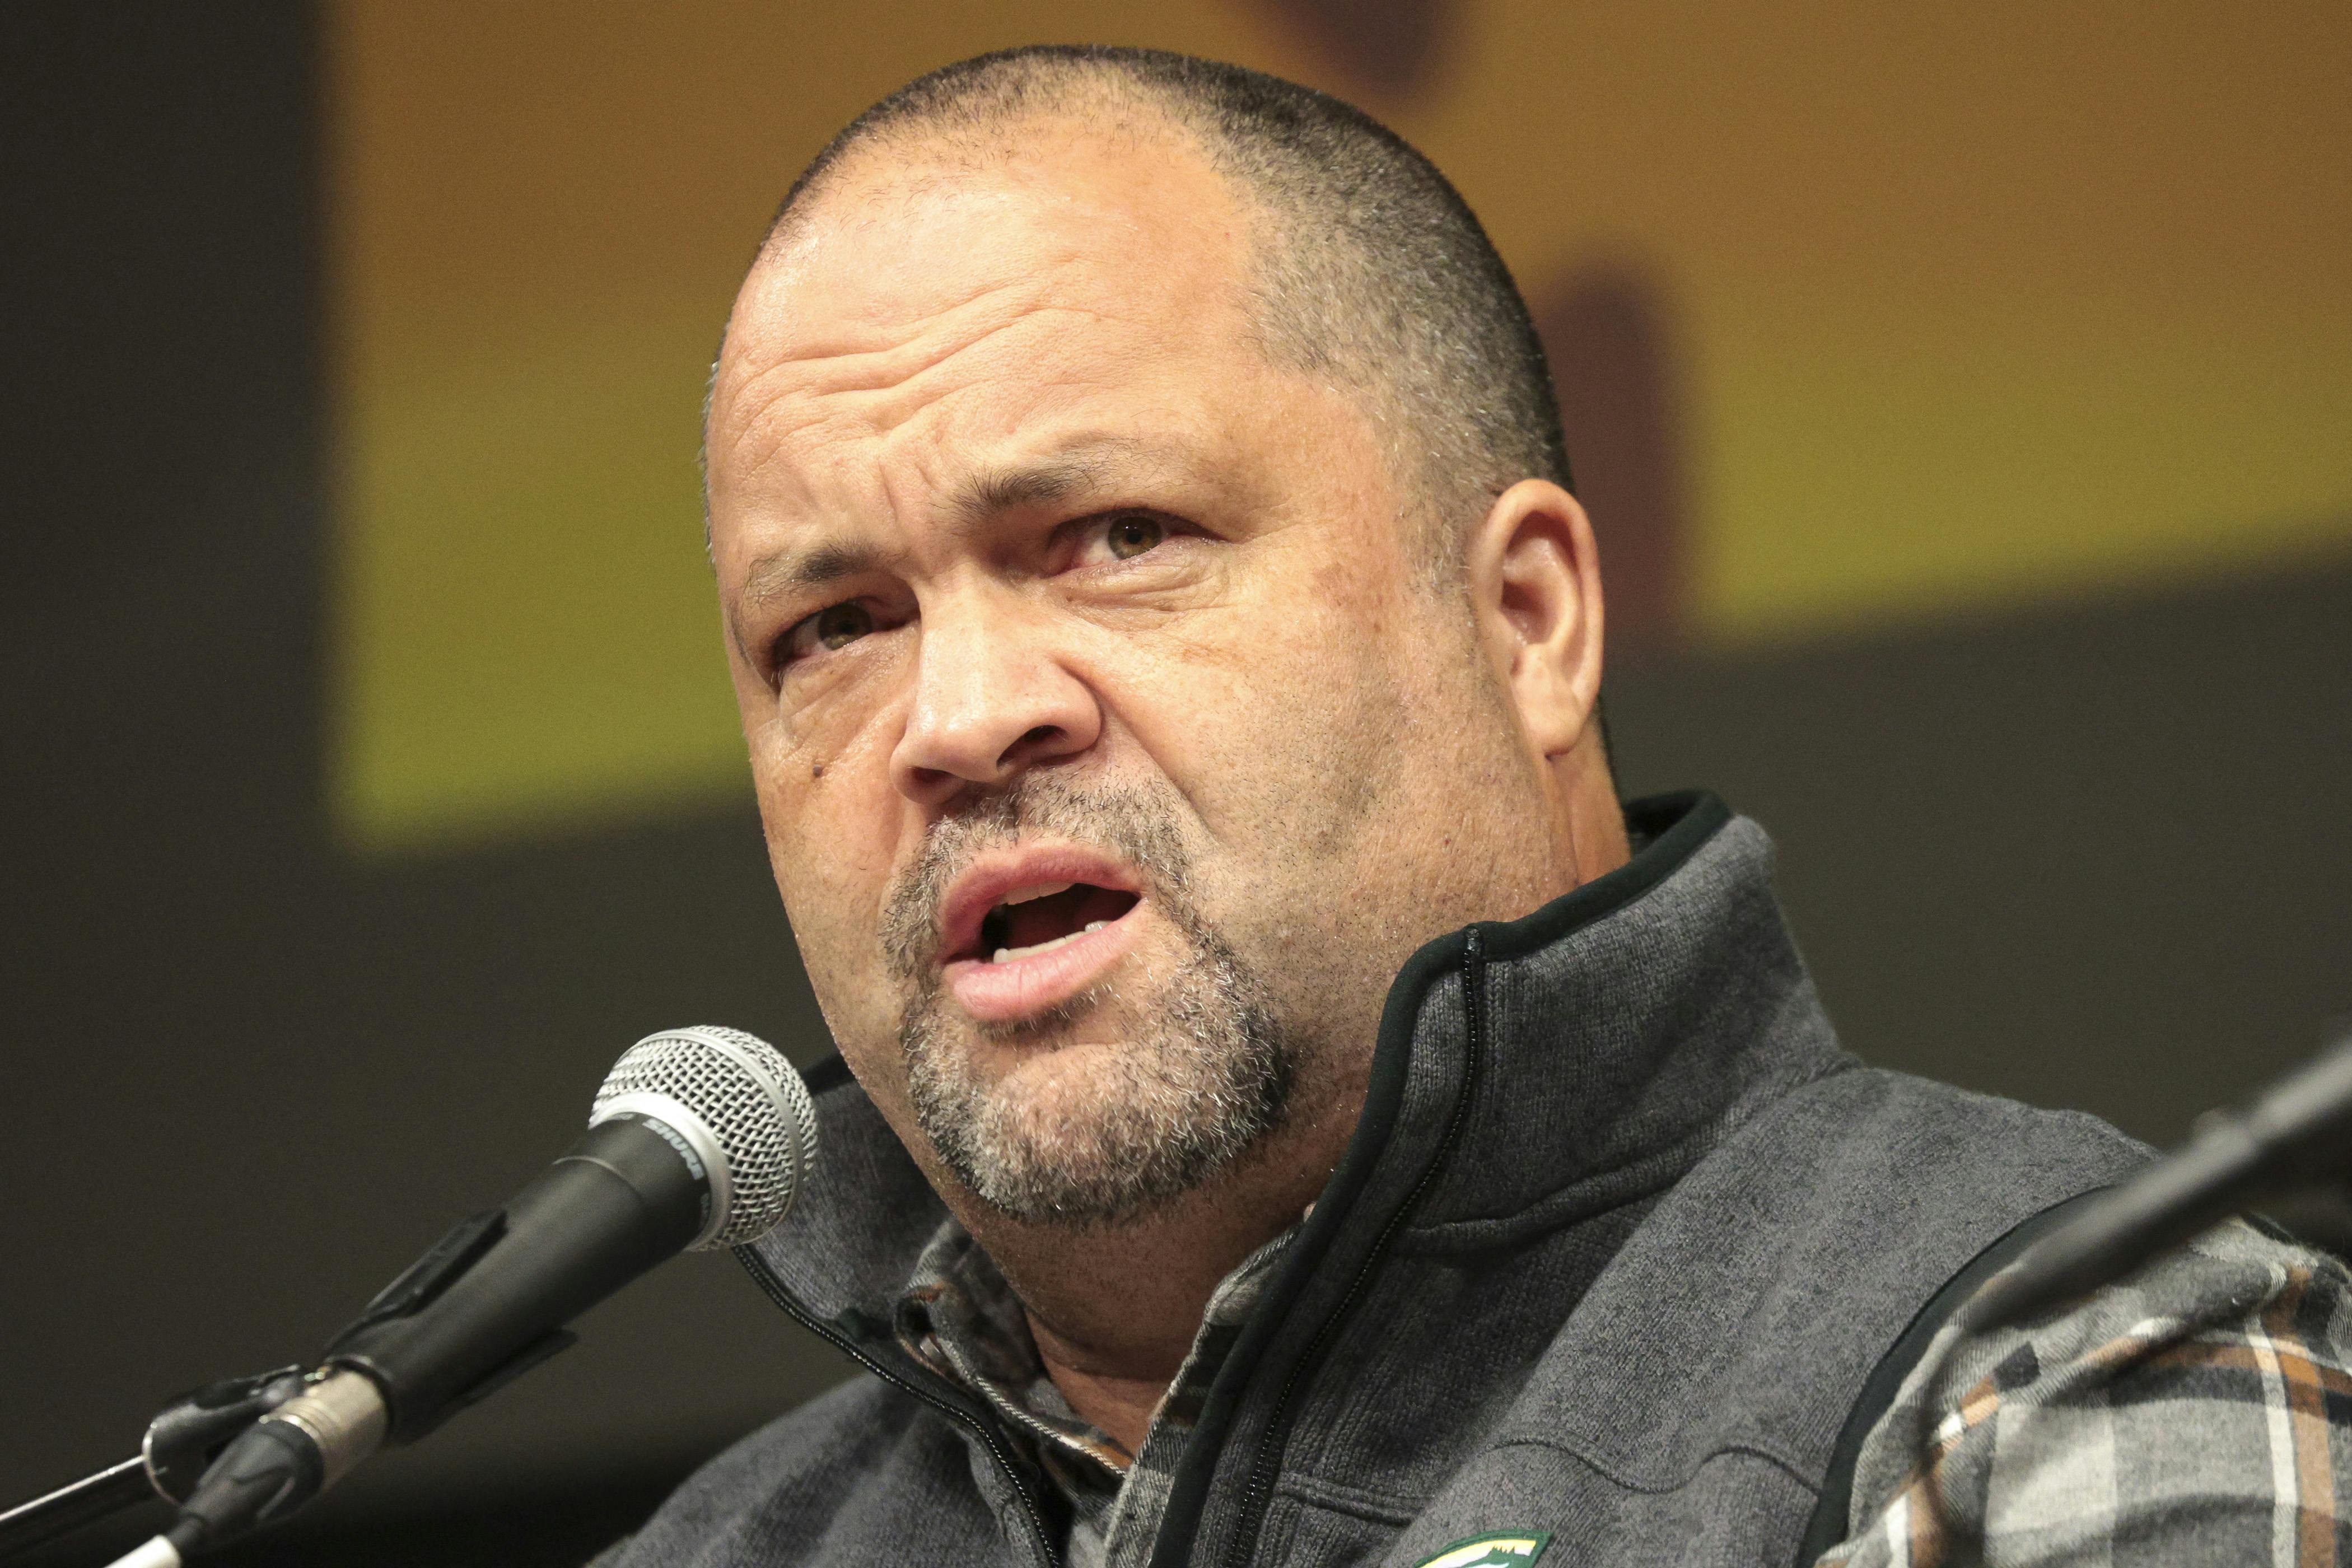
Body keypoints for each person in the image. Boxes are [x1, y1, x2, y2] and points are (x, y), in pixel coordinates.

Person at [596, 46, 2352, 1568]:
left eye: (1117, 539)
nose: (961, 721)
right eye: (832, 630)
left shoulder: (2063, 1366)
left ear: (1526, 619)